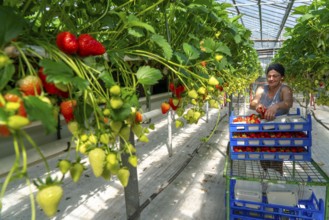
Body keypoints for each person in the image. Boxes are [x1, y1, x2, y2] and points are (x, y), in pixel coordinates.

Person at [250, 63, 293, 174]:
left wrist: (276, 105)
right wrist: (257, 105)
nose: (271, 79)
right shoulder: (261, 89)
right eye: (269, 76)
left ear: (282, 77)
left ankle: (275, 185)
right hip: (263, 130)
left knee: (276, 160)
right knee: (263, 158)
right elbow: (253, 102)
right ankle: (264, 185)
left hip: (279, 132)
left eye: (275, 76)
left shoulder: (285, 89)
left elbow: (288, 103)